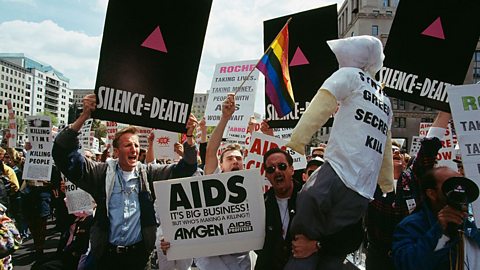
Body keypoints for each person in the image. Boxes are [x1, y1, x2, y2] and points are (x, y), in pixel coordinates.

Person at [52, 94, 198, 269]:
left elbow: (186, 168)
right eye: (128, 145)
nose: (134, 149)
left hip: (138, 258)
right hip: (107, 256)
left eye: (136, 145)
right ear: (116, 150)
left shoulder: (149, 173)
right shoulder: (100, 173)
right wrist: (84, 117)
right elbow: (63, 155)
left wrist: (189, 137)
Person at [285, 36, 393, 269]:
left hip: (340, 167)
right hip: (363, 187)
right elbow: (385, 142)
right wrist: (386, 182)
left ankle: (303, 252)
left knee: (309, 197)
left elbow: (322, 104)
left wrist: (298, 139)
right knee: (335, 229)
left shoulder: (349, 76)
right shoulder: (385, 99)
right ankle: (320, 255)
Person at [365, 111, 450, 270]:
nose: (396, 152)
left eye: (398, 151)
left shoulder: (413, 178)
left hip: (413, 255)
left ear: (405, 162)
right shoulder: (367, 181)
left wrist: (445, 110)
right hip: (379, 259)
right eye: (389, 150)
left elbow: (430, 146)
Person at [392, 166, 480, 270]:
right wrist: (438, 232)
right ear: (432, 194)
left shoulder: (470, 225)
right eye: (450, 185)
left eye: (460, 183)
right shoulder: (411, 225)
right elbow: (408, 264)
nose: (458, 190)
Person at [254, 148, 303, 270]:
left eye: (282, 166)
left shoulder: (309, 198)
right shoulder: (260, 205)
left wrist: (316, 245)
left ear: (292, 169)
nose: (277, 171)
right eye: (271, 169)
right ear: (266, 175)